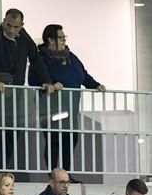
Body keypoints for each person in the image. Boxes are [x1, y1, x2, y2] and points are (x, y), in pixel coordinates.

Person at [0, 8, 53, 172]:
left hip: (14, 94)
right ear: (4, 21)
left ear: (21, 26)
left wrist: (46, 81)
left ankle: (3, 168)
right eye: (8, 25)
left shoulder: (24, 38)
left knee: (12, 131)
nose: (11, 30)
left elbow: (36, 59)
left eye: (15, 27)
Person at [28, 24, 105, 171]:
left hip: (70, 109)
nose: (64, 40)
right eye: (60, 37)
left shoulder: (71, 57)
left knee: (71, 139)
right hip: (51, 108)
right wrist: (50, 83)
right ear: (50, 40)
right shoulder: (41, 59)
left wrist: (96, 85)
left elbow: (83, 75)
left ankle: (66, 174)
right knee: (54, 140)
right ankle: (53, 174)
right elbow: (33, 79)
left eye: (64, 37)